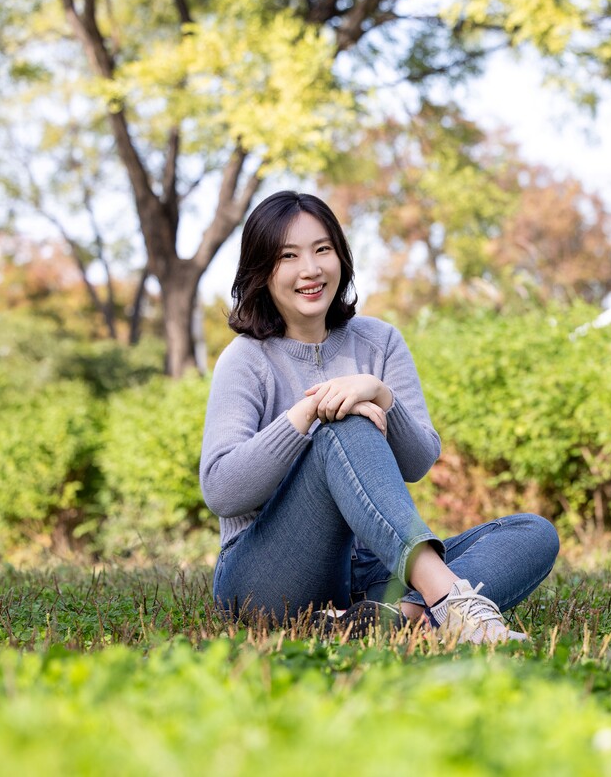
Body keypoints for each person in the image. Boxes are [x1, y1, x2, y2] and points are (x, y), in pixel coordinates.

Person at [200, 190, 559, 643]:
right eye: (287, 256)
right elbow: (221, 489)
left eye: (322, 249)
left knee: (533, 533)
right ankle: (449, 603)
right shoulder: (246, 359)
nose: (309, 269)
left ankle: (400, 617)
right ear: (262, 272)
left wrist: (381, 394)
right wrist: (310, 410)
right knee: (344, 425)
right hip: (267, 576)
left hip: (370, 570)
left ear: (341, 257)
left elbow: (418, 461)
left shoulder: (379, 341)